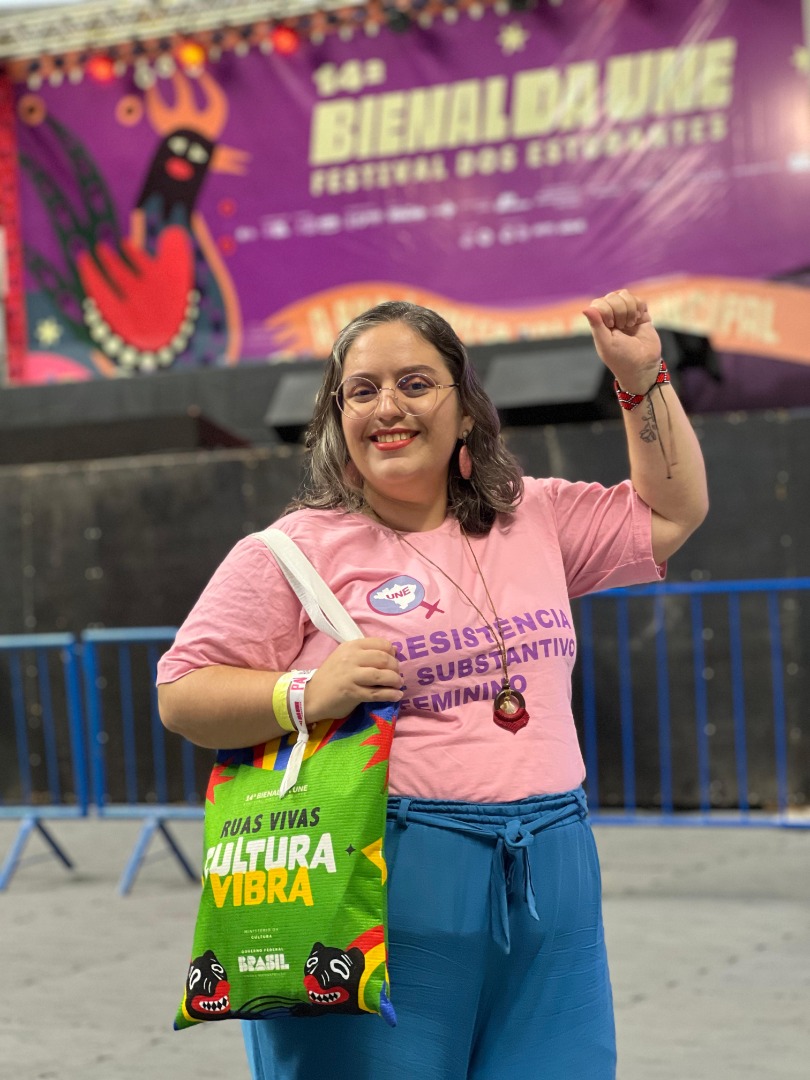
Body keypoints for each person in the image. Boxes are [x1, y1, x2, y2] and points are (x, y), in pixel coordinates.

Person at [158, 289, 708, 1080]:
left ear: (465, 410)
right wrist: (302, 693)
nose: (389, 406)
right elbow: (182, 694)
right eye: (362, 390)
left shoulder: (536, 517)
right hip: (382, 882)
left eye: (415, 384)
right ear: (336, 418)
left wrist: (642, 378)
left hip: (553, 875)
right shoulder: (290, 552)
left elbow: (673, 513)